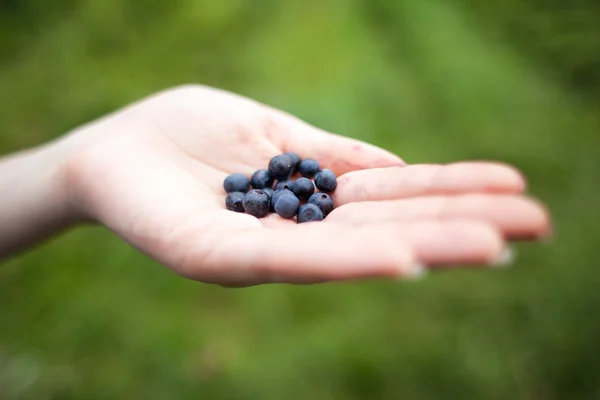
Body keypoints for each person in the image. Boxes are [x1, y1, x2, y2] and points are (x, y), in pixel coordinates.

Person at [0, 85, 551, 287]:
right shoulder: (268, 191)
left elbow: (274, 190)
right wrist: (82, 163)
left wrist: (69, 166)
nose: (267, 192)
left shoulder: (293, 189)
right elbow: (257, 190)